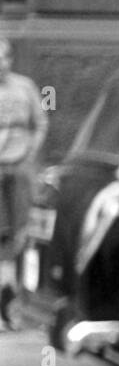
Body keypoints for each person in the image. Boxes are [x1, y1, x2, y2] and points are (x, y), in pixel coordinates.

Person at [0, 38, 47, 329]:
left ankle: (18, 301)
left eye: (4, 57)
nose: (0, 63)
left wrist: (30, 153)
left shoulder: (25, 87)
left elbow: (40, 123)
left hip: (20, 167)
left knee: (22, 233)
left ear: (11, 59)